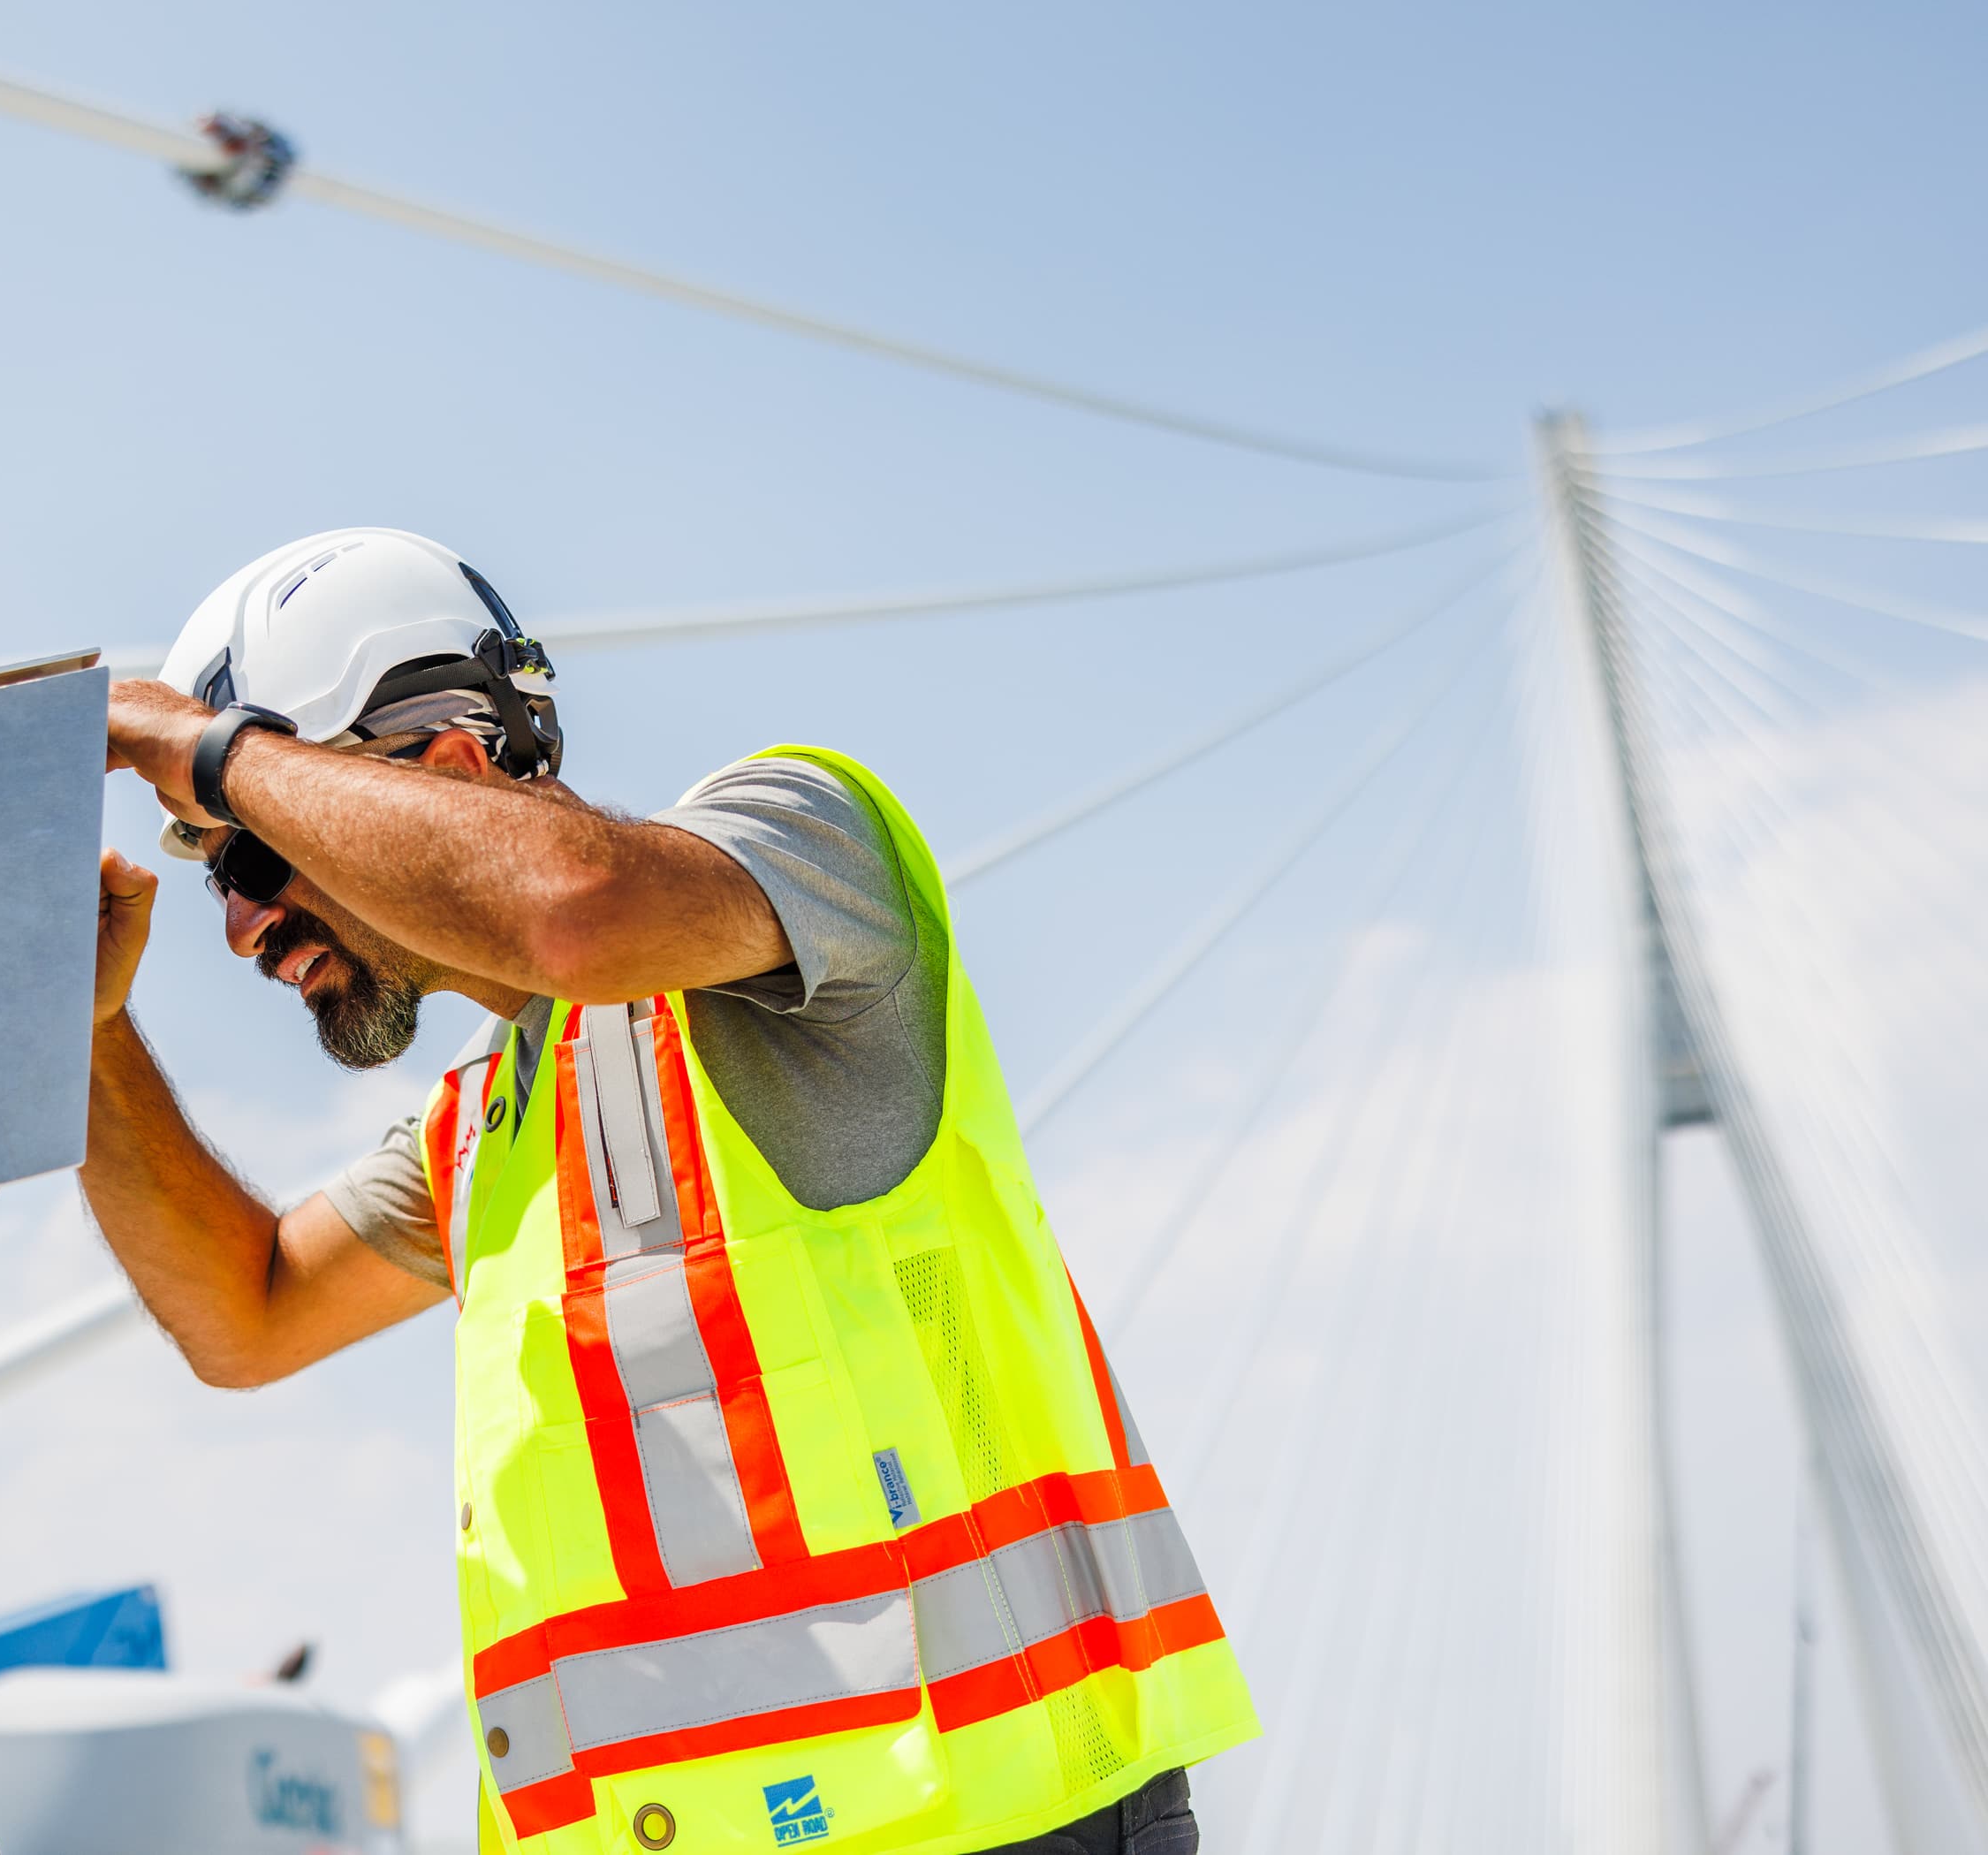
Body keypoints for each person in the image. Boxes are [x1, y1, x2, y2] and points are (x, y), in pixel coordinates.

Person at [81, 529, 1256, 1855]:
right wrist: (87, 1032)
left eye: (252, 854)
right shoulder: (484, 1132)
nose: (239, 927)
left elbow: (577, 911)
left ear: (453, 770)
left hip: (1003, 1823)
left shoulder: (801, 845)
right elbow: (242, 1314)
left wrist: (198, 744)